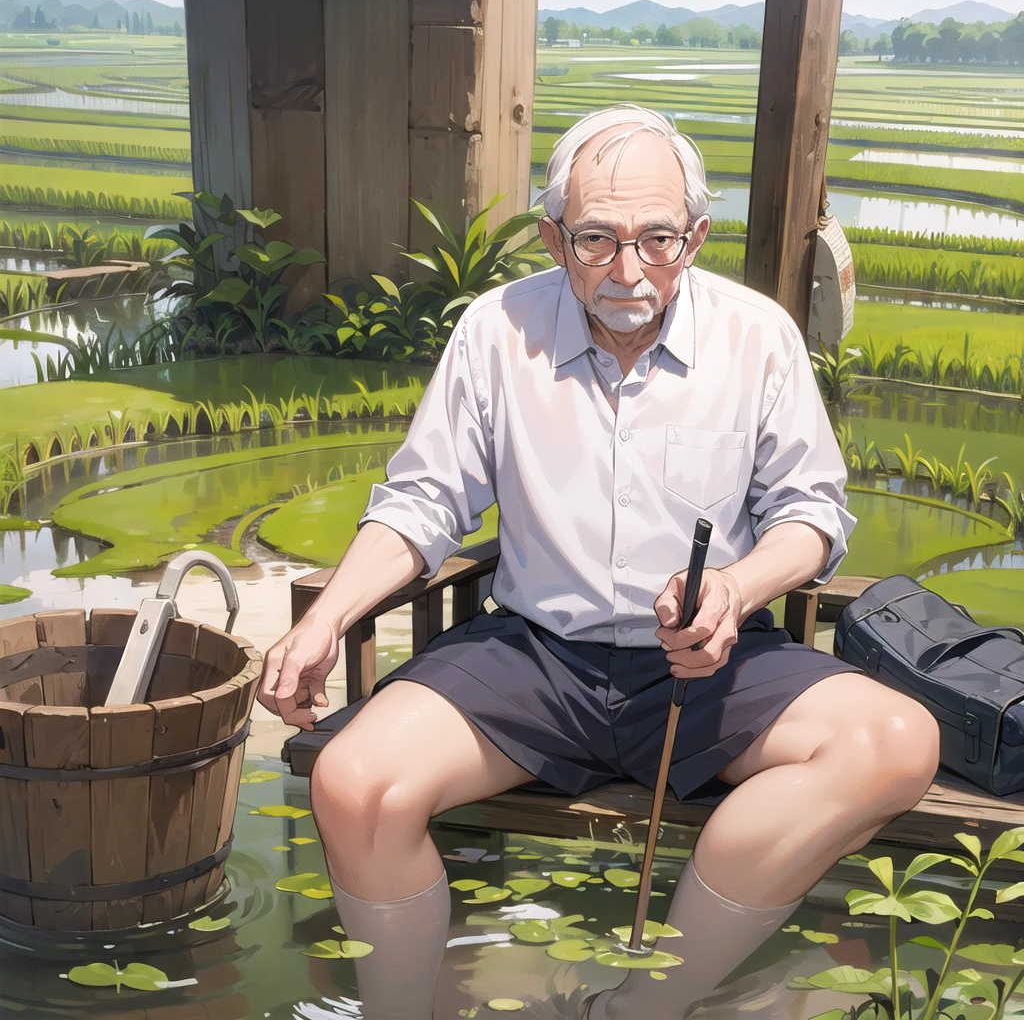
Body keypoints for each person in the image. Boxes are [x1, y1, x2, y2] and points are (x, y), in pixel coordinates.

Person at [258, 103, 940, 1020]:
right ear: (552, 237)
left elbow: (812, 515)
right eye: (596, 238)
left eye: (658, 238)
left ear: (695, 238)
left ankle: (647, 1006)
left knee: (897, 743)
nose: (628, 269)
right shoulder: (497, 332)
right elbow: (424, 502)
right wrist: (327, 616)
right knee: (353, 782)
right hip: (536, 656)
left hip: (711, 662)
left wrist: (734, 590)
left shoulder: (758, 336)